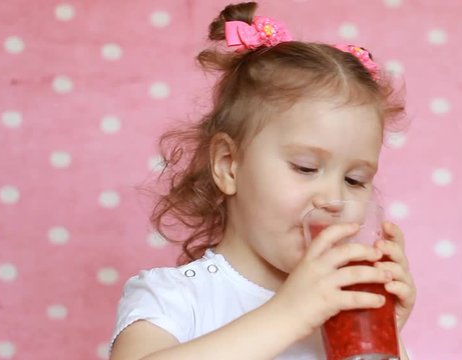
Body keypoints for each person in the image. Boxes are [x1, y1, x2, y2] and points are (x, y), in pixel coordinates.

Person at [109, 2, 415, 359]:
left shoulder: (341, 311)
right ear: (229, 165)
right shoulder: (176, 297)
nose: (333, 197)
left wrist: (383, 336)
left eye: (354, 179)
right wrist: (289, 314)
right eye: (304, 167)